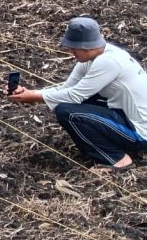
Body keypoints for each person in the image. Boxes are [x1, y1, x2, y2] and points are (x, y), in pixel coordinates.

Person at [8, 18, 147, 171]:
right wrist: (31, 93)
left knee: (67, 112)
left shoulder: (109, 61)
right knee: (76, 101)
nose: (71, 52)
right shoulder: (94, 57)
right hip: (124, 114)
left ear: (85, 46)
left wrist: (34, 97)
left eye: (74, 48)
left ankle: (116, 159)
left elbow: (74, 96)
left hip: (141, 133)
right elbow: (68, 88)